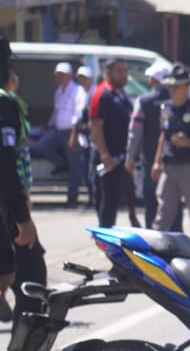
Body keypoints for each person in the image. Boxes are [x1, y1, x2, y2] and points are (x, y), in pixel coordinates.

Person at [0, 38, 44, 351]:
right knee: (32, 285)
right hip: (6, 212)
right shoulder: (4, 103)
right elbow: (4, 166)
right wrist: (22, 218)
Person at [151, 64, 190, 252]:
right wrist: (156, 161)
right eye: (171, 86)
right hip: (169, 167)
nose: (172, 90)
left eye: (176, 86)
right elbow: (163, 135)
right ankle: (155, 250)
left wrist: (189, 143)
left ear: (186, 87)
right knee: (164, 210)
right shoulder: (166, 110)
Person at [89, 57, 135, 228]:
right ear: (108, 73)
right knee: (107, 200)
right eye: (119, 71)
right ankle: (104, 239)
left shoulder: (121, 93)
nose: (124, 75)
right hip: (108, 157)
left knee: (121, 198)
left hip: (122, 155)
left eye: (125, 71)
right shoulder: (102, 94)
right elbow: (96, 125)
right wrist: (104, 153)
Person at [128, 60, 173, 228]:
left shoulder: (144, 101)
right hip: (174, 160)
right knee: (172, 202)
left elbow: (135, 133)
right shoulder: (177, 98)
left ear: (153, 80)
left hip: (150, 160)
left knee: (152, 202)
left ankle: (151, 242)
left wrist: (130, 157)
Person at [30, 60, 79, 177]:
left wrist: (75, 131)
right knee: (41, 146)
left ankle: (74, 189)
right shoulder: (58, 91)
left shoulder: (77, 90)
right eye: (57, 74)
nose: (59, 77)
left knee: (75, 161)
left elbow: (79, 113)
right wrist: (49, 124)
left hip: (71, 131)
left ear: (69, 75)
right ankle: (62, 164)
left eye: (62, 74)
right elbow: (57, 111)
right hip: (58, 130)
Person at [67, 65, 94, 207]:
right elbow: (77, 117)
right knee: (85, 170)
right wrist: (74, 135)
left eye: (84, 78)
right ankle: (91, 197)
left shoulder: (94, 93)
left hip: (93, 138)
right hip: (82, 137)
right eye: (80, 78)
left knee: (92, 170)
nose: (82, 81)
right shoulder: (79, 93)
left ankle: (94, 198)